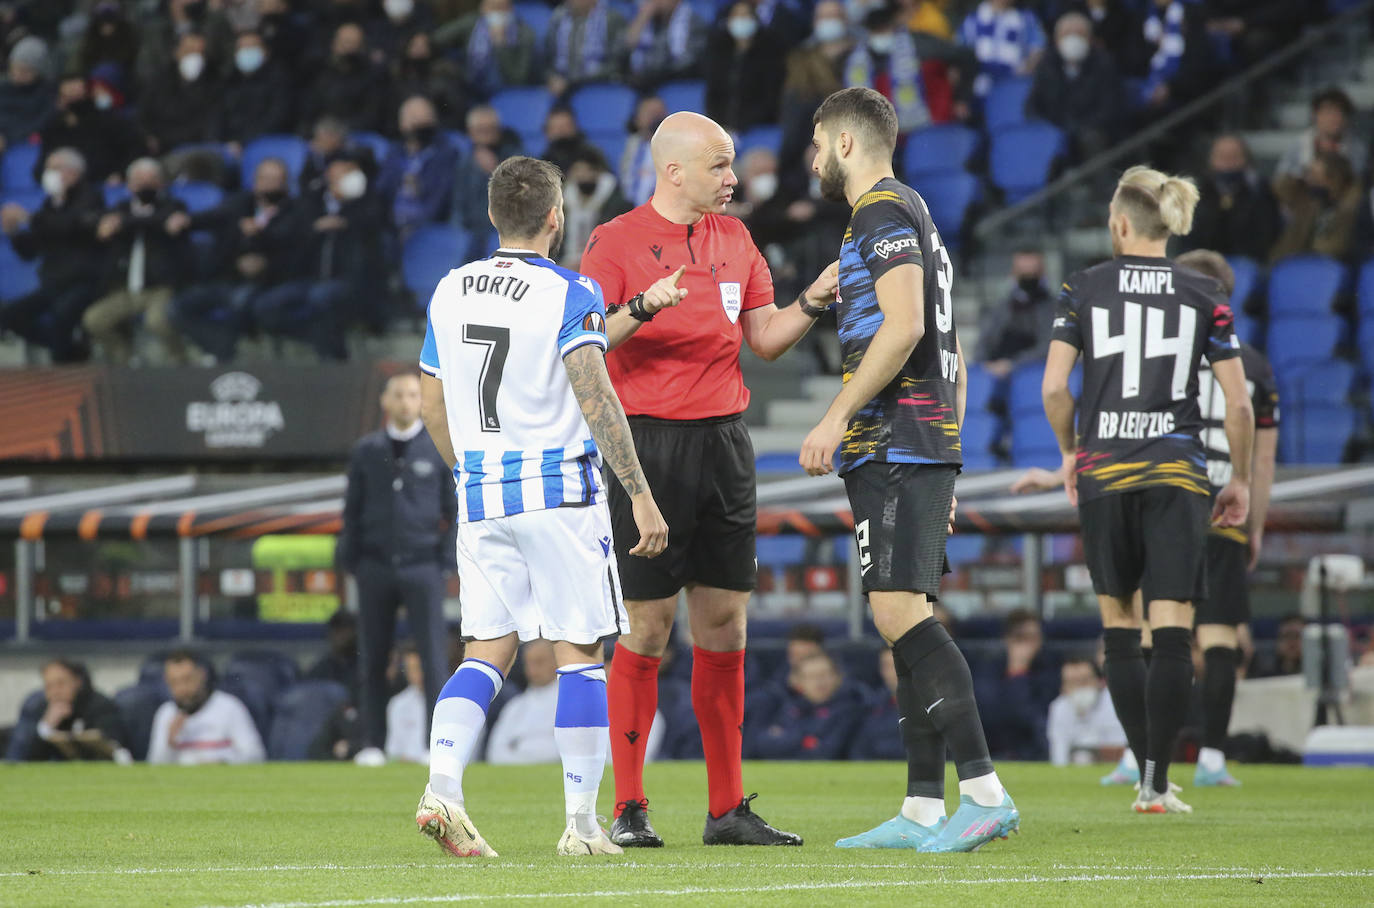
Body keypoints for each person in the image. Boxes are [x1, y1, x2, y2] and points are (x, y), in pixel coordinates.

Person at [580, 110, 837, 848]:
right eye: (720, 165)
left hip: (725, 443)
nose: (733, 177)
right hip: (646, 446)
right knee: (648, 627)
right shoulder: (614, 242)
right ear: (674, 172)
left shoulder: (736, 238)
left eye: (731, 164)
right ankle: (630, 808)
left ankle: (726, 810)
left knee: (725, 624)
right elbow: (585, 339)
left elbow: (764, 339)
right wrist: (642, 306)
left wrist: (814, 299)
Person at [413, 155, 669, 858]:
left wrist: (470, 472)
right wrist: (640, 494)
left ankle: (442, 788)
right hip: (558, 494)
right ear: (556, 218)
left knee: (486, 651)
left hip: (482, 494)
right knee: (580, 652)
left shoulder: (450, 288)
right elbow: (595, 392)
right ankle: (582, 825)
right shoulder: (570, 291)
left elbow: (431, 403)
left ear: (493, 215)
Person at [802, 86, 1017, 854]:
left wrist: (835, 415)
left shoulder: (880, 211)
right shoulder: (914, 213)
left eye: (818, 143)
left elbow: (906, 327)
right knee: (904, 613)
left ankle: (985, 793)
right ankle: (924, 804)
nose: (813, 159)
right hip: (917, 440)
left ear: (846, 143)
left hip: (896, 437)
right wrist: (946, 450)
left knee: (899, 614)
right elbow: (948, 347)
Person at [1041, 165, 1254, 814]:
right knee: (1173, 630)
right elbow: (1238, 404)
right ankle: (1158, 781)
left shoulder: (1082, 288)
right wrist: (1241, 478)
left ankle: (1143, 776)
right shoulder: (1205, 293)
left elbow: (1054, 388)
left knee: (1119, 626)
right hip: (1177, 474)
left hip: (1105, 472)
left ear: (1119, 225)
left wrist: (1070, 453)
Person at [1170, 248, 1279, 787]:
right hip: (1225, 511)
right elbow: (1262, 459)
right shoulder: (1255, 366)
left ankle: (1144, 757)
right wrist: (1254, 524)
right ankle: (1211, 758)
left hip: (1170, 503)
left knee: (1158, 634)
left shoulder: (1165, 350)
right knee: (1219, 640)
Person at [338, 372, 456, 767]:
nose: (406, 401)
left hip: (423, 565)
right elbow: (351, 509)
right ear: (385, 402)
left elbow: (453, 509)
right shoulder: (366, 450)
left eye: (412, 394)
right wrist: (351, 559)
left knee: (433, 657)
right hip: (375, 565)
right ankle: (372, 743)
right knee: (372, 656)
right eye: (399, 394)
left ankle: (435, 744)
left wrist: (445, 560)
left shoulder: (438, 445)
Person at [254, 154, 388, 357]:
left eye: (350, 173)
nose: (348, 178)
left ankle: (331, 355)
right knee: (266, 305)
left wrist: (346, 221)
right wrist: (315, 228)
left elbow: (374, 228)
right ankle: (311, 339)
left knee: (321, 298)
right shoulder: (311, 202)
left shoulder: (368, 203)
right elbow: (289, 235)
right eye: (341, 173)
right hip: (311, 279)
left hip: (350, 280)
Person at [169, 156, 299, 362]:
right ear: (255, 182)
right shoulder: (239, 204)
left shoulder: (295, 210)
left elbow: (291, 245)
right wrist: (185, 220)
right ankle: (221, 350)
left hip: (268, 282)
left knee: (240, 303)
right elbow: (211, 217)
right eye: (265, 179)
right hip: (227, 278)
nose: (269, 185)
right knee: (177, 308)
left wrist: (262, 248)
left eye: (276, 180)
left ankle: (225, 356)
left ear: (285, 183)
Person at [82, 157, 191, 365]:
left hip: (161, 288)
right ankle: (126, 362)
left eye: (151, 179)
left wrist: (124, 223)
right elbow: (98, 225)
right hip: (125, 288)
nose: (145, 185)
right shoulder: (120, 207)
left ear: (161, 183)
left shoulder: (174, 206)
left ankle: (180, 362)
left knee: (157, 321)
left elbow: (163, 220)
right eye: (139, 180)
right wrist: (108, 227)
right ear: (129, 184)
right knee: (94, 319)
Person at [0, 147, 104, 362]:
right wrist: (14, 233)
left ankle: (63, 356)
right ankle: (71, 351)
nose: (49, 174)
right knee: (11, 317)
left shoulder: (91, 198)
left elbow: (70, 226)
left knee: (62, 314)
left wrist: (29, 218)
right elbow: (30, 252)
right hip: (54, 282)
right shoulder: (50, 205)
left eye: (55, 169)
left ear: (73, 172)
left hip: (84, 281)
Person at [1025, 11, 1122, 162]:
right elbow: (1032, 107)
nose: (1073, 39)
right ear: (1056, 40)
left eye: (1079, 34)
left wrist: (1078, 128)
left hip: (1092, 130)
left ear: (1090, 39)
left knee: (1092, 138)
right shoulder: (1046, 66)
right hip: (1055, 130)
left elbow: (1110, 108)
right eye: (1067, 34)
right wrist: (1049, 128)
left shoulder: (1104, 64)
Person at [148, 651, 266, 764]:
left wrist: (222, 763)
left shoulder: (230, 707)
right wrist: (170, 743)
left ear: (202, 675)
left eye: (187, 680)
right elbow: (154, 766)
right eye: (174, 682)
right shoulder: (166, 713)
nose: (182, 689)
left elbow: (256, 756)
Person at [745, 652, 866, 759]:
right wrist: (805, 740)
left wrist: (786, 739)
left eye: (824, 675)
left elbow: (826, 752)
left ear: (838, 678)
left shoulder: (850, 710)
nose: (819, 682)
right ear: (798, 682)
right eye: (811, 677)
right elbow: (762, 744)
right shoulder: (790, 708)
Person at [973, 609, 1058, 760]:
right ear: (1007, 639)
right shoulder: (989, 667)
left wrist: (1018, 674)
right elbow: (988, 715)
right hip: (992, 751)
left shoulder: (1048, 669)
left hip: (1033, 753)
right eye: (1021, 638)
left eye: (1033, 638)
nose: (1026, 646)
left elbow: (1033, 719)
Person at [1183, 134, 1281, 263]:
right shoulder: (1197, 192)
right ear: (1211, 160)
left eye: (1234, 156)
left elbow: (1267, 234)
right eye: (1222, 156)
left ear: (1246, 159)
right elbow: (1189, 237)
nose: (1228, 162)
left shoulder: (1260, 190)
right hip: (1203, 262)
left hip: (1250, 263)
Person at [34, 73, 142, 186]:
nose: (72, 100)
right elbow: (41, 167)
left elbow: (135, 150)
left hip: (107, 184)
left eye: (77, 95)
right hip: (68, 186)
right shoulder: (54, 127)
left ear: (89, 94)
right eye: (67, 96)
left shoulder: (110, 122)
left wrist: (121, 173)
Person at [376, 96, 461, 240]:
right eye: (414, 120)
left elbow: (439, 202)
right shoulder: (395, 153)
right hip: (390, 226)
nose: (420, 126)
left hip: (425, 229)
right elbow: (381, 190)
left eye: (426, 119)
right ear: (402, 124)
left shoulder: (445, 154)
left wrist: (420, 186)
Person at [704, 0, 788, 134]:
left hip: (758, 128)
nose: (741, 20)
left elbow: (770, 99)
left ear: (755, 20)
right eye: (736, 16)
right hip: (723, 129)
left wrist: (741, 126)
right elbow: (713, 95)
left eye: (745, 15)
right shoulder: (720, 52)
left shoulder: (770, 54)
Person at [452, 105, 524, 262]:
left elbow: (521, 198)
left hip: (504, 230)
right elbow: (458, 203)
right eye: (481, 130)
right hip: (470, 232)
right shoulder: (464, 161)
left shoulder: (516, 156)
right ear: (470, 133)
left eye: (491, 129)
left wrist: (495, 170)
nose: (486, 135)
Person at [26, 659, 130, 762]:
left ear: (78, 682)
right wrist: (46, 726)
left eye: (61, 684)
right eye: (49, 687)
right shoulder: (40, 708)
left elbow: (117, 748)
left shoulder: (100, 706)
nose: (55, 692)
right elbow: (26, 758)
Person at [974, 248, 1053, 380]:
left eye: (1032, 273)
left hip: (1034, 376)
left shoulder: (1051, 308)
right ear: (1013, 272)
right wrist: (986, 365)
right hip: (995, 376)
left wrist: (1013, 364)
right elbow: (984, 343)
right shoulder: (1001, 307)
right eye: (1023, 272)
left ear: (1042, 272)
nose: (1028, 278)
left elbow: (1047, 347)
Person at [1270, 151, 1361, 264]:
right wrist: (1299, 180)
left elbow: (1334, 248)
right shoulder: (1313, 198)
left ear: (1333, 180)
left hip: (1324, 267)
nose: (1309, 180)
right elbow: (1279, 188)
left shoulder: (1350, 208)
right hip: (1288, 264)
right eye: (1308, 174)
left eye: (1314, 176)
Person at [437, 0, 540, 100]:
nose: (497, 14)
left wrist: (500, 44)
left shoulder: (524, 33)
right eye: (493, 8)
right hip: (469, 86)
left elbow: (518, 79)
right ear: (483, 8)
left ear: (511, 9)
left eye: (502, 8)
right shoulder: (471, 23)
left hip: (506, 91)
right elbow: (438, 39)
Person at [217, 29, 296, 149]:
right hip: (229, 147)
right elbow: (218, 118)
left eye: (253, 46)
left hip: (266, 145)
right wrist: (220, 144)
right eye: (243, 47)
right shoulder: (228, 81)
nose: (247, 51)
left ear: (266, 52)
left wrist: (243, 143)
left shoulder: (279, 80)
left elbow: (278, 117)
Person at [559, 147, 632, 271]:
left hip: (604, 265)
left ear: (599, 172)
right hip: (566, 263)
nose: (583, 175)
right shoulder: (562, 200)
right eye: (578, 170)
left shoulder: (617, 204)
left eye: (588, 170)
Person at [1046, 656, 1127, 767]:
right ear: (1063, 687)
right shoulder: (1058, 707)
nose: (1079, 688)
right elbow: (1059, 755)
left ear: (1100, 681)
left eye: (1084, 681)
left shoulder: (1114, 702)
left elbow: (1120, 749)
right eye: (1071, 683)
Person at [1276, 87, 1368, 181]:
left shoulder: (1357, 150)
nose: (1333, 118)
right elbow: (1284, 180)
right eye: (1328, 112)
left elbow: (1356, 181)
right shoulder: (1298, 146)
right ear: (1315, 115)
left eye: (1339, 113)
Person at [957, 0, 1045, 98]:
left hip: (1013, 83)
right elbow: (960, 49)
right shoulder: (973, 17)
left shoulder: (1026, 18)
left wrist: (1028, 67)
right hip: (977, 80)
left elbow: (1037, 47)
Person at [545, 0, 629, 99]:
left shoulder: (611, 19)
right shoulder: (558, 18)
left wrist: (572, 82)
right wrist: (551, 77)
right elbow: (547, 59)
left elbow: (616, 64)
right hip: (560, 86)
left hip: (597, 86)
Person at [848, 647, 905, 760]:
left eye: (899, 663)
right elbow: (859, 749)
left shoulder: (932, 705)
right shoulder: (871, 706)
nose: (894, 671)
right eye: (887, 666)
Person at [0, 36, 53, 154]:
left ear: (38, 72)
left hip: (24, 143)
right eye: (15, 68)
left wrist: (7, 137)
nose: (17, 74)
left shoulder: (45, 94)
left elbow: (39, 123)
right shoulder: (3, 87)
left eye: (25, 71)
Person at [386, 645, 432, 763]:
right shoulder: (398, 703)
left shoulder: (448, 699)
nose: (415, 674)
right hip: (409, 763)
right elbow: (393, 749)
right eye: (410, 669)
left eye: (417, 668)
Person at [618, 94, 666, 207]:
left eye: (659, 113)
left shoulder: (677, 144)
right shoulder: (632, 144)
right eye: (650, 113)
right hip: (631, 208)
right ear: (637, 119)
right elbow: (624, 179)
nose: (655, 118)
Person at [1252, 613, 1304, 678]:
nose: (1292, 641)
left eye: (1297, 636)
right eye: (1287, 636)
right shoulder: (1264, 671)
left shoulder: (1315, 671)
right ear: (1278, 640)